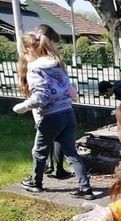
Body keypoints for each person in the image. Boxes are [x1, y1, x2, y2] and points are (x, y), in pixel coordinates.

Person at [13, 31, 94, 199]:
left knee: (39, 151)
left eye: (23, 52)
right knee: (71, 152)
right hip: (67, 113)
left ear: (29, 50)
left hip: (50, 116)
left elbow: (42, 97)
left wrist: (23, 107)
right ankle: (85, 187)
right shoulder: (57, 64)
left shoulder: (35, 69)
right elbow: (68, 89)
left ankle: (36, 183)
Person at [34, 24, 73, 180]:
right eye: (56, 43)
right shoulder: (50, 62)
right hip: (54, 108)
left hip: (49, 108)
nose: (57, 46)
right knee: (45, 142)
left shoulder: (42, 61)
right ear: (49, 42)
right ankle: (45, 171)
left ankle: (49, 171)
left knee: (47, 141)